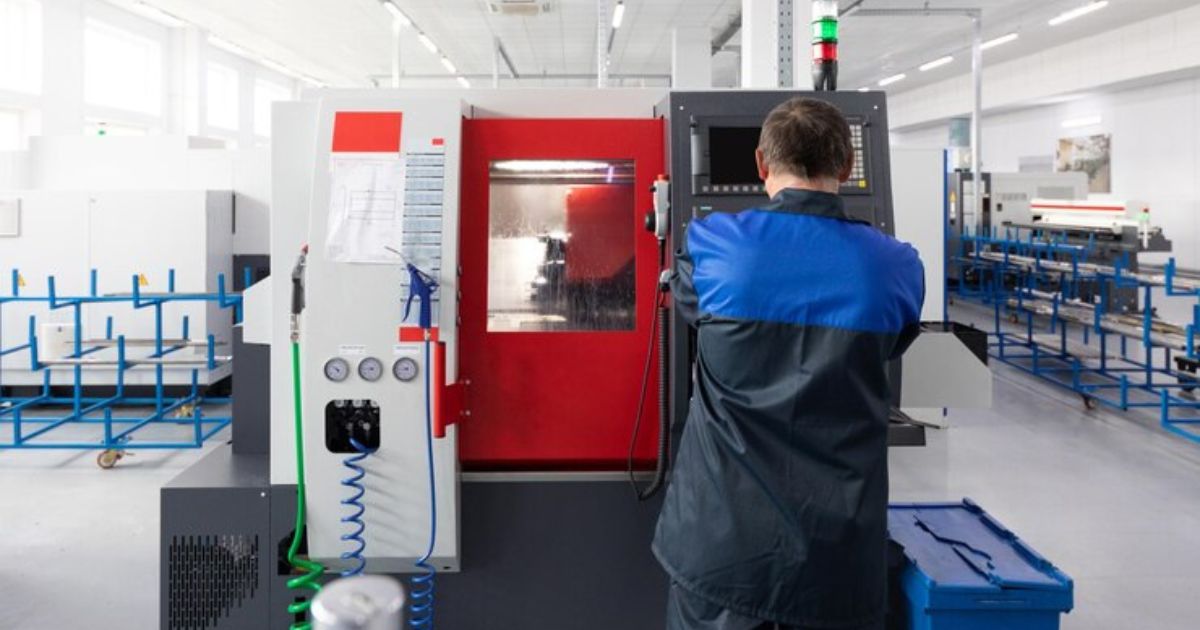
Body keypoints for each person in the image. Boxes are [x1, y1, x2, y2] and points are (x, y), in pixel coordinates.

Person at [653, 97, 925, 630]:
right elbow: (891, 347)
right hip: (837, 562)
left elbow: (688, 309)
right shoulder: (897, 266)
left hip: (722, 552)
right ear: (847, 168)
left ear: (760, 164)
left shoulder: (713, 245)